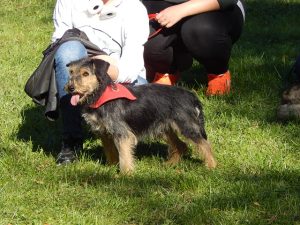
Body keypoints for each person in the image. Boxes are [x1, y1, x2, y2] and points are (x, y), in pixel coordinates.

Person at [48, 0, 149, 164]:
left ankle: (125, 138)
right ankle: (71, 140)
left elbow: (132, 67)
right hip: (81, 74)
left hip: (118, 76)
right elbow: (59, 45)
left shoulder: (134, 7)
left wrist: (104, 68)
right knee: (68, 49)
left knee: (146, 99)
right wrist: (85, 71)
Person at [141, 0, 245, 96]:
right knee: (146, 38)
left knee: (201, 30)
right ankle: (169, 69)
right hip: (166, 4)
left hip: (219, 7)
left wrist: (181, 10)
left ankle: (218, 72)